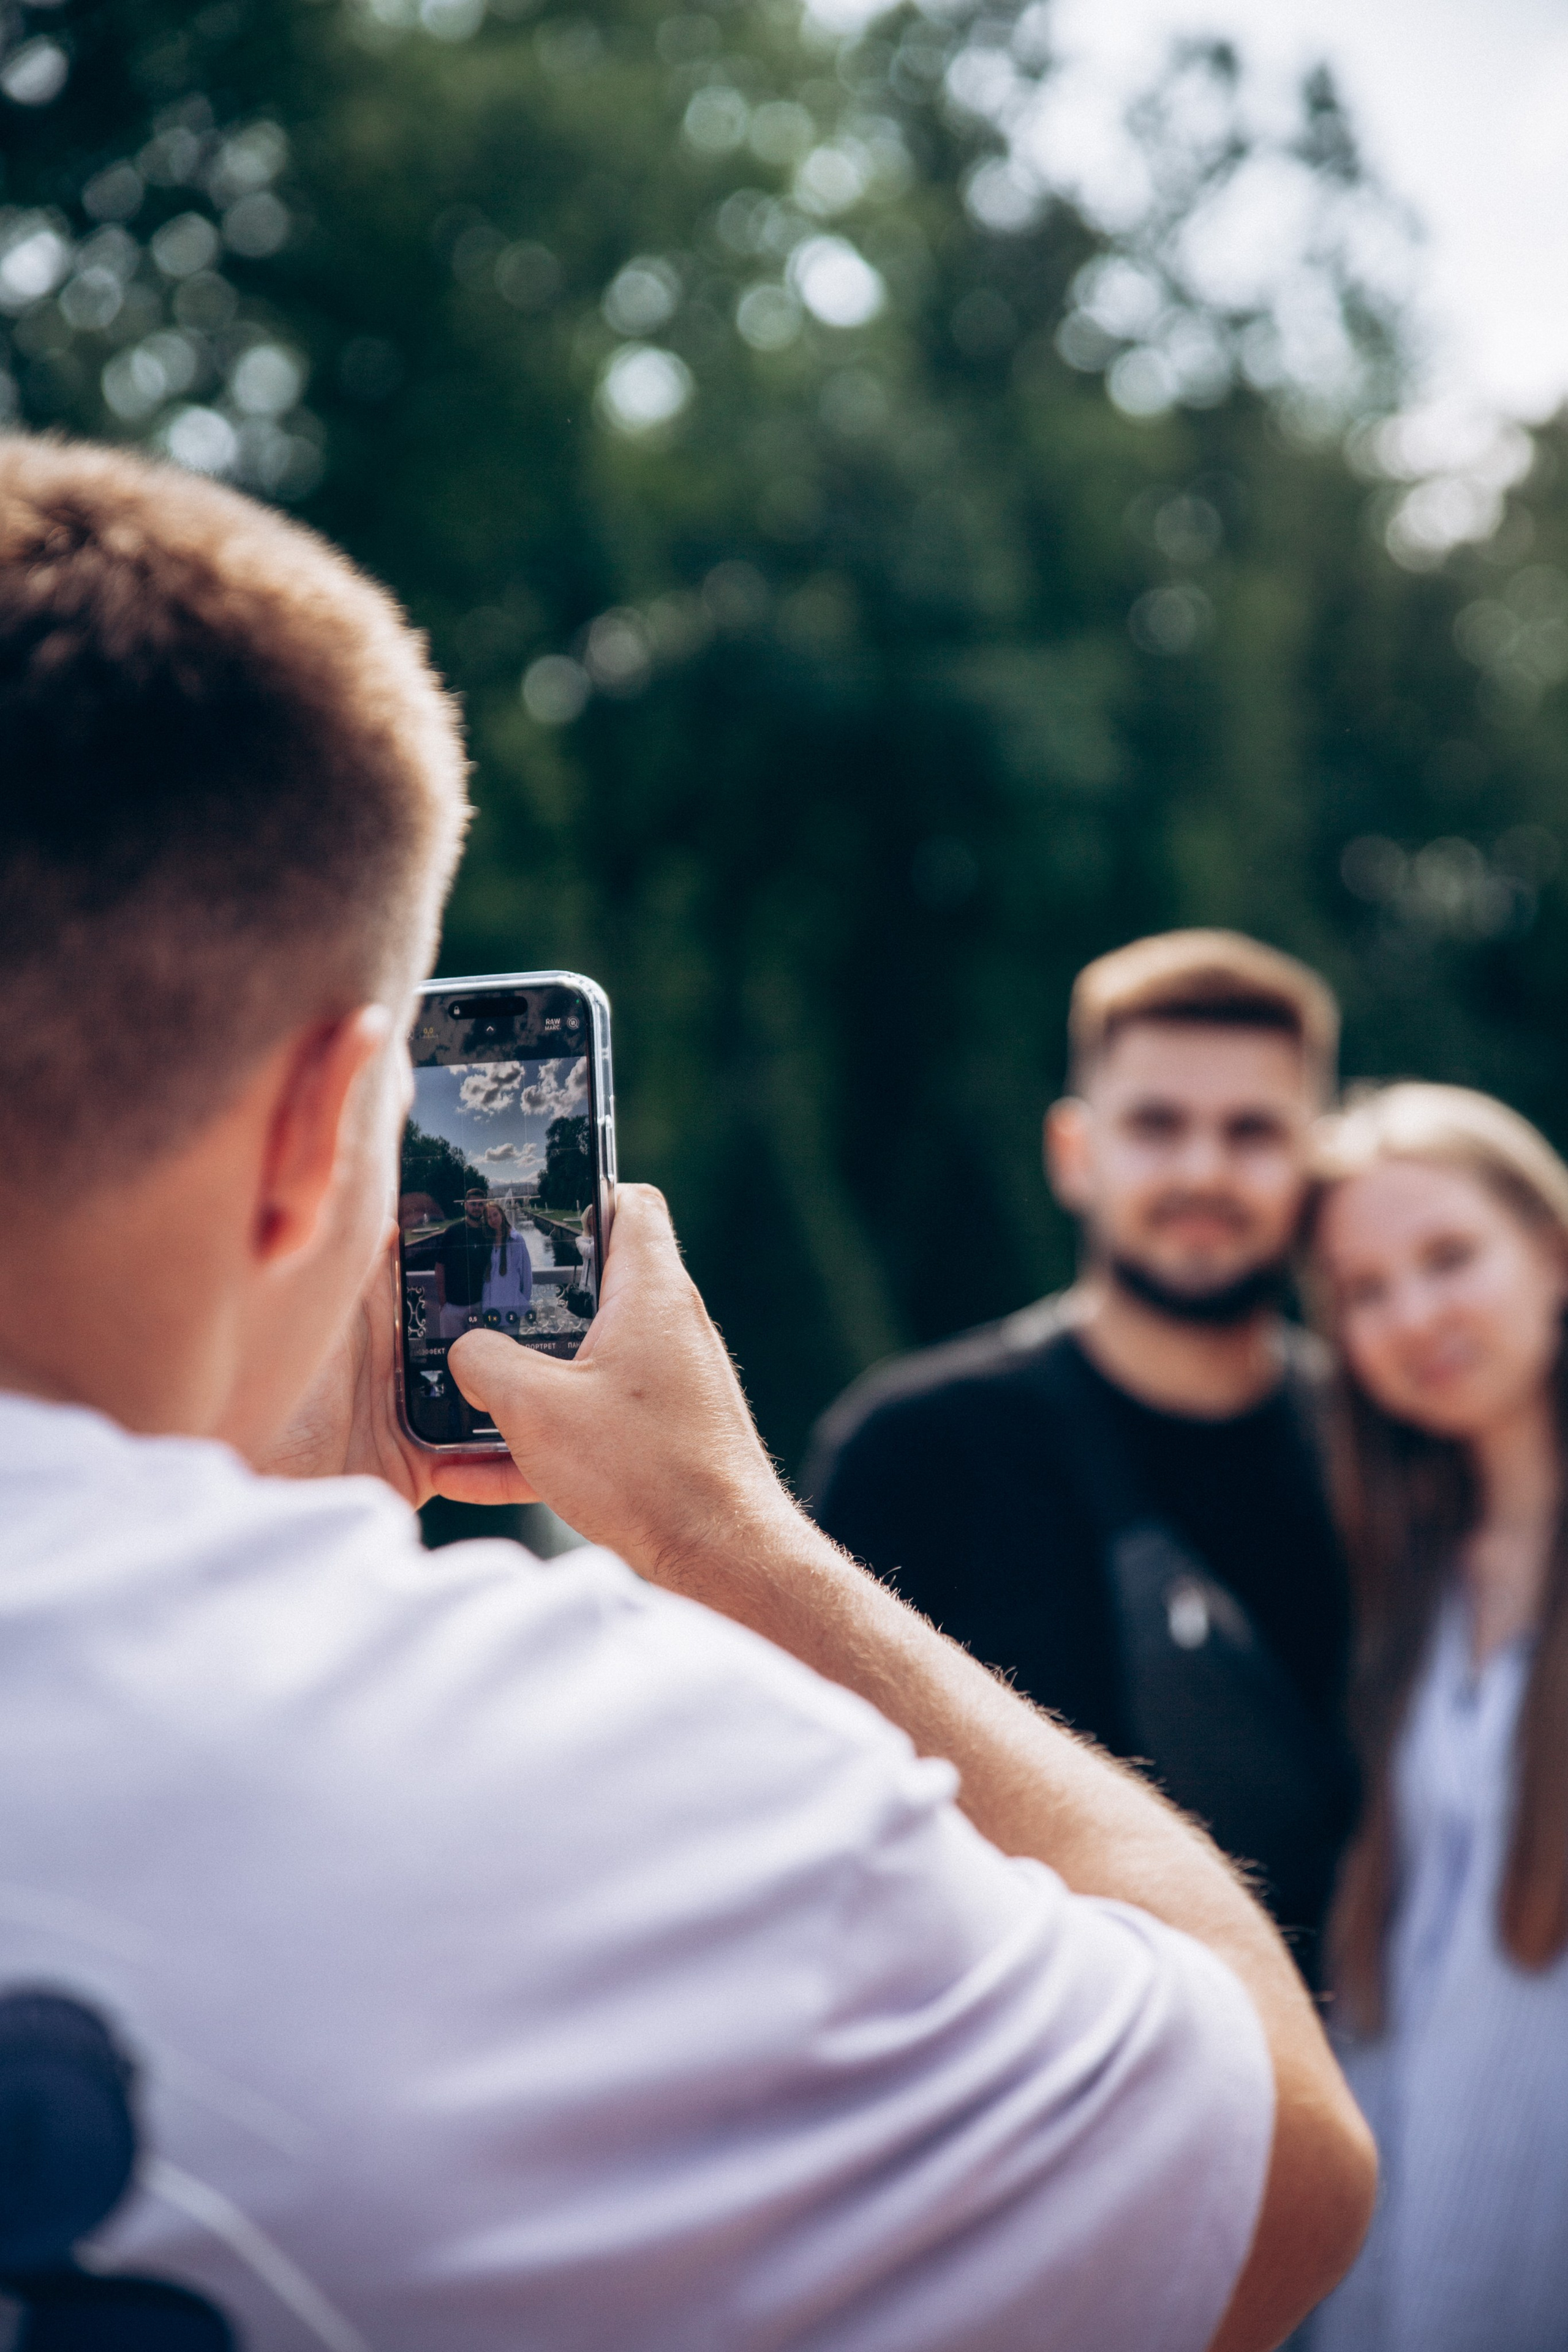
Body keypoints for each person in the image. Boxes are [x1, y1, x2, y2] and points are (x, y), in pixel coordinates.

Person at [0, 433, 1373, 2350]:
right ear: (331, 1123)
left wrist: (302, 1521)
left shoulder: (1368, 1445)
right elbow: (1275, 2170)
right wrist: (714, 1533)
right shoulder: (597, 1772)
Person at [809, 932, 1357, 1977]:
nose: (1204, 1169)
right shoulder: (915, 1452)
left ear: (1312, 1165)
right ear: (1075, 1152)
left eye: (1252, 1131)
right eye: (1157, 1125)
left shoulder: (1387, 1462)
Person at [1303, 1085, 1568, 2352]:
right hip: (1414, 2233)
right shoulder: (1405, 1578)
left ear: (1551, 1252)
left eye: (1447, 1258)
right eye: (1363, 1289)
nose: (1412, 1316)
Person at [436, 1186, 497, 1335]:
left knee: (476, 1354)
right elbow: (440, 1267)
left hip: (478, 1305)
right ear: (466, 1205)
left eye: (480, 1204)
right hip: (453, 1307)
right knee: (452, 1352)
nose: (477, 1208)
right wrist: (444, 1304)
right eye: (473, 1204)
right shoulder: (453, 1231)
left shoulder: (488, 1232)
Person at [480, 1197, 534, 1323]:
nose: (493, 1219)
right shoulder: (488, 1240)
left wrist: (523, 1300)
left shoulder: (516, 1239)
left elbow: (526, 1273)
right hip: (491, 1307)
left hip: (511, 1305)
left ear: (502, 1214)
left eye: (495, 1215)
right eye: (489, 1217)